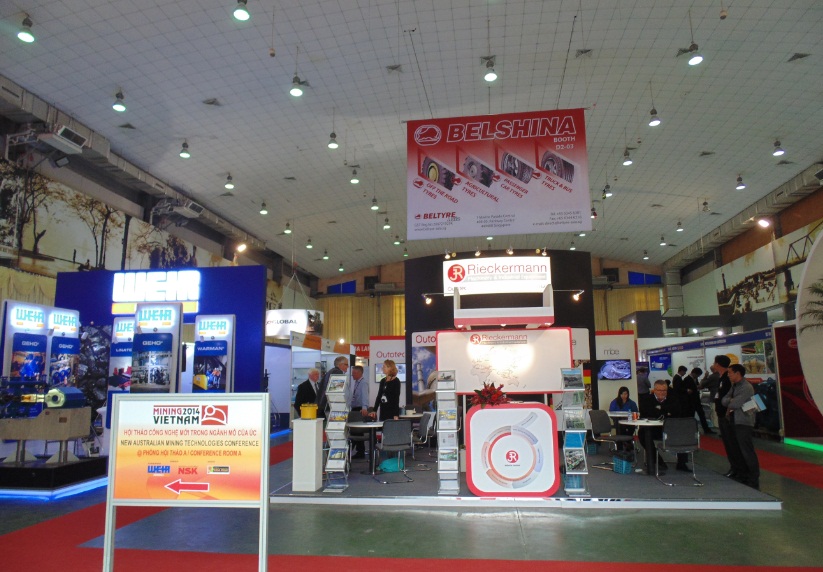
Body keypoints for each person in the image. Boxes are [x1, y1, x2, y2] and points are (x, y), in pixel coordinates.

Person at [722, 364, 761, 489]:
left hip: (744, 422)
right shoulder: (734, 386)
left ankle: (753, 478)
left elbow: (735, 404)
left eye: (730, 373)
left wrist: (731, 401)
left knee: (746, 451)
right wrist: (731, 400)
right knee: (736, 450)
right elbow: (724, 400)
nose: (728, 375)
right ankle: (742, 474)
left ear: (737, 373)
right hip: (734, 421)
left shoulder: (746, 387)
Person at [639, 379, 689, 472]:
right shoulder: (647, 400)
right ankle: (658, 460)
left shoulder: (673, 399)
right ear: (654, 390)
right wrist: (665, 412)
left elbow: (677, 413)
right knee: (642, 434)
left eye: (664, 390)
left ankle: (682, 463)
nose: (662, 392)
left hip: (670, 428)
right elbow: (645, 413)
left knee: (683, 432)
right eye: (659, 390)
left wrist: (660, 410)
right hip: (653, 429)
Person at [712, 355, 736, 478]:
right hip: (721, 414)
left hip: (727, 416)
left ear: (717, 364)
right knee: (727, 443)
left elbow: (731, 397)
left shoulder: (727, 379)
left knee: (731, 443)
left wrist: (727, 411)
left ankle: (736, 468)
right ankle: (734, 467)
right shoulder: (721, 378)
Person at [346, 365, 370, 458]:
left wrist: (364, 407)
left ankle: (358, 452)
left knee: (357, 431)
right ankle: (360, 451)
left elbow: (365, 396)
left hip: (359, 409)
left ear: (360, 373)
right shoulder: (356, 382)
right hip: (355, 408)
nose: (352, 375)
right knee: (356, 431)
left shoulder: (363, 383)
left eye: (354, 373)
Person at [684, 367, 715, 434]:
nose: (698, 376)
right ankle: (690, 430)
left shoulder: (695, 379)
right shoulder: (687, 379)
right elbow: (686, 390)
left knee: (702, 414)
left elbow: (698, 386)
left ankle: (706, 429)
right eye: (697, 375)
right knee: (691, 416)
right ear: (694, 373)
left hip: (697, 400)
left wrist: (704, 379)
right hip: (690, 401)